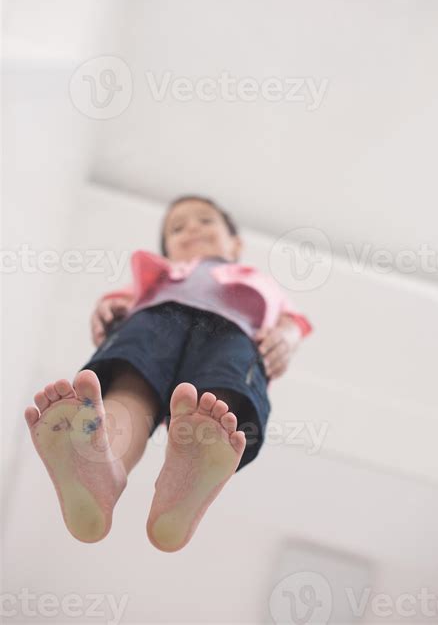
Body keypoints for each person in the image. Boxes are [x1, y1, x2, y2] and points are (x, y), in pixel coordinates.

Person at [24, 195, 313, 551]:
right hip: (156, 319)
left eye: (205, 221)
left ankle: (192, 466)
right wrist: (109, 306)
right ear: (168, 251)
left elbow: (292, 322)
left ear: (236, 244)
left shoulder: (257, 280)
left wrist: (287, 336)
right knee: (131, 386)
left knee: (213, 402)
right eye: (177, 228)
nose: (191, 228)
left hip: (233, 329)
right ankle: (101, 465)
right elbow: (120, 301)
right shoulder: (155, 280)